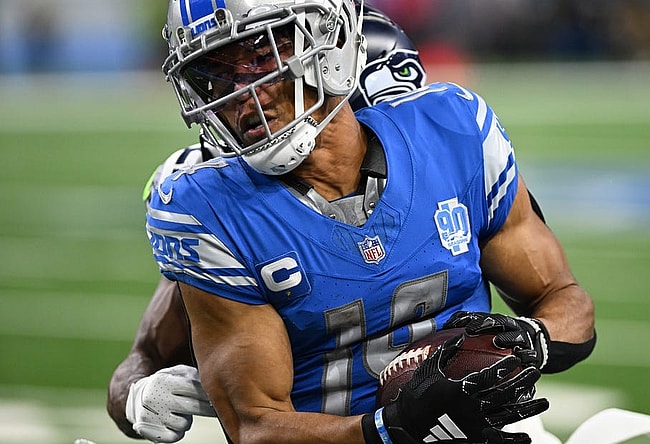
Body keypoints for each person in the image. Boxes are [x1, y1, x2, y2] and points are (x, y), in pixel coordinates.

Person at [144, 0, 595, 443]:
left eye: (262, 55)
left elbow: (564, 300)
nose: (244, 94)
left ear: (332, 42)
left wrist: (530, 341)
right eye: (218, 74)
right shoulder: (204, 207)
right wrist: (394, 428)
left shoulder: (454, 129)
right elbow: (256, 425)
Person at [107, 5, 429, 442]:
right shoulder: (215, 199)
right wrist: (136, 393)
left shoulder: (441, 161)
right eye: (224, 75)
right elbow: (146, 354)